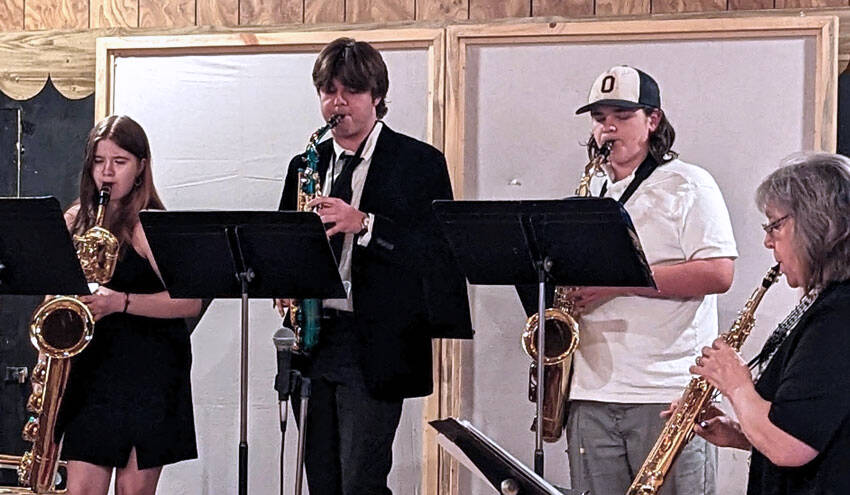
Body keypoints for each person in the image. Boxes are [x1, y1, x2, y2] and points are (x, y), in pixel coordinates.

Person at [276, 38, 472, 495]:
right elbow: (283, 244)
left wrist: (363, 223)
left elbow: (438, 251)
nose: (337, 103)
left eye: (350, 92)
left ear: (377, 96)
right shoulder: (304, 165)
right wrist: (282, 284)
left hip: (375, 341)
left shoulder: (419, 162)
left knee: (361, 478)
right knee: (321, 477)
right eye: (328, 92)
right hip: (313, 337)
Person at [564, 65, 738, 495]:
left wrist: (619, 283)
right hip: (592, 391)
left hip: (664, 391)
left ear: (652, 120)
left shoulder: (688, 184)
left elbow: (718, 272)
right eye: (600, 117)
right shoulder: (592, 192)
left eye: (622, 116)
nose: (608, 128)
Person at [688, 152, 850, 494]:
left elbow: (790, 446)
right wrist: (740, 431)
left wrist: (735, 383)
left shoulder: (839, 315)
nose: (767, 240)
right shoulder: (827, 303)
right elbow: (817, 432)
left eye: (775, 224)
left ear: (817, 223)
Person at [56, 115, 202, 495]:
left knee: (132, 492)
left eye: (119, 162)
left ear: (140, 167)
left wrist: (119, 302)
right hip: (92, 369)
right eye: (99, 161)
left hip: (149, 373)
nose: (107, 172)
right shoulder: (76, 219)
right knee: (81, 490)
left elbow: (189, 301)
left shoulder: (149, 223)